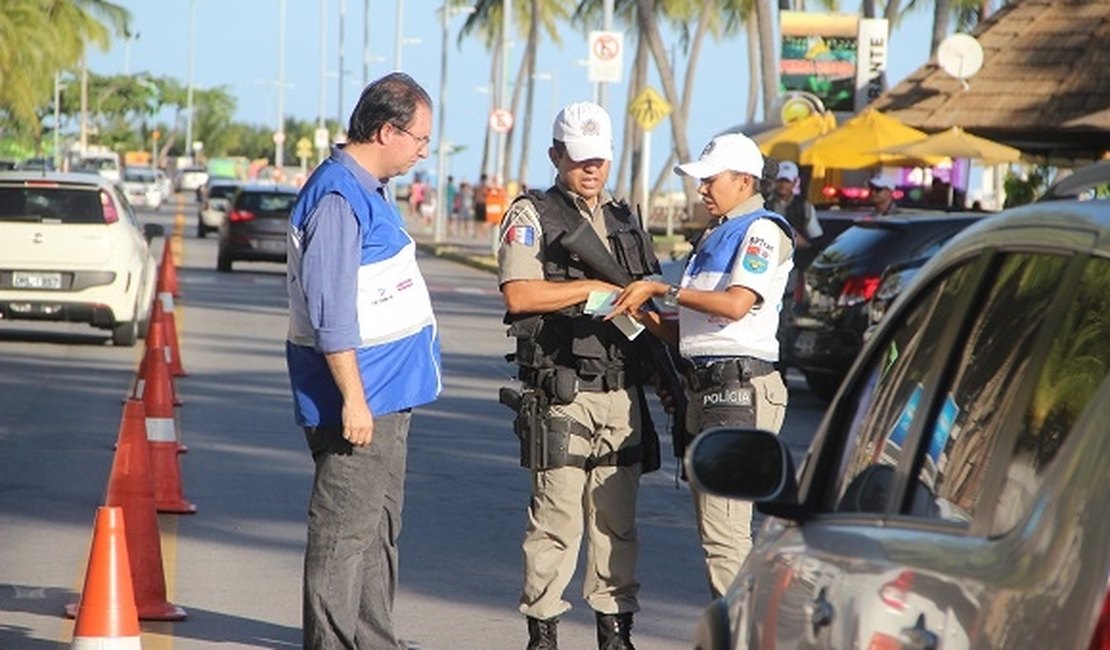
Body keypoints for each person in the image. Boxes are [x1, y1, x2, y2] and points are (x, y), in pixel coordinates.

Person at [285, 71, 443, 650]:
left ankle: (375, 639)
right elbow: (332, 313)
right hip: (361, 399)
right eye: (419, 139)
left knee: (378, 530)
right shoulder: (337, 197)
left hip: (387, 395)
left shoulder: (367, 191)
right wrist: (353, 399)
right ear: (385, 131)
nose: (424, 151)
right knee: (342, 534)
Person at [497, 101, 661, 650]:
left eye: (599, 159)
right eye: (579, 159)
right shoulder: (532, 215)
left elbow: (649, 304)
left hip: (621, 392)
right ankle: (543, 633)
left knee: (617, 525)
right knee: (556, 522)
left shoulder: (625, 220)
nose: (591, 169)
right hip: (563, 391)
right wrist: (590, 292)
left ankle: (615, 632)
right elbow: (520, 296)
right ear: (555, 155)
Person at [607, 132, 794, 599]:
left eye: (711, 181)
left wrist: (660, 291)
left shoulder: (761, 232)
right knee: (717, 535)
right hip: (709, 390)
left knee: (725, 536)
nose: (702, 190)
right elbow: (696, 334)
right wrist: (644, 317)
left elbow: (734, 306)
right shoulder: (716, 234)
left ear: (745, 180)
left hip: (739, 390)